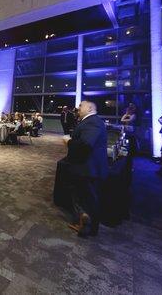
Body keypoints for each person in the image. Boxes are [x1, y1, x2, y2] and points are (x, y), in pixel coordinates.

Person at [61, 100, 108, 237]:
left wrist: (68, 141)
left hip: (87, 169)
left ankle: (88, 227)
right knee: (82, 197)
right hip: (85, 168)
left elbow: (85, 145)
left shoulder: (92, 122)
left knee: (87, 198)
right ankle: (84, 221)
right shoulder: (89, 121)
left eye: (81, 105)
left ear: (89, 108)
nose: (78, 108)